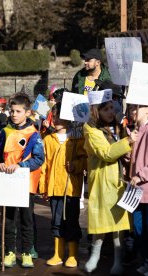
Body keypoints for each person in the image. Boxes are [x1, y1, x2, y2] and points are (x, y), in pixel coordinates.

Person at [83, 90, 137, 274]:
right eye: (105, 109)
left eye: (112, 108)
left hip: (119, 182)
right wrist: (128, 141)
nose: (110, 112)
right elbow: (106, 154)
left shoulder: (118, 127)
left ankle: (118, 260)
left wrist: (129, 152)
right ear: (95, 110)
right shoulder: (90, 129)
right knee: (100, 221)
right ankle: (95, 255)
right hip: (101, 181)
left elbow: (123, 152)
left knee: (118, 224)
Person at [0, 92, 45, 269]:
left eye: (18, 111)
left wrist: (21, 165)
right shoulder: (4, 131)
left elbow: (39, 159)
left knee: (26, 219)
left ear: (28, 113)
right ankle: (8, 252)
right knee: (8, 218)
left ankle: (26, 252)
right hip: (7, 182)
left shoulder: (33, 134)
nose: (14, 114)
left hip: (26, 183)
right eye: (12, 111)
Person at [39, 102, 86, 268]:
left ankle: (73, 254)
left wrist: (76, 165)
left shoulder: (77, 139)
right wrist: (43, 187)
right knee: (56, 220)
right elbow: (44, 165)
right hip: (54, 187)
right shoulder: (48, 140)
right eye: (54, 115)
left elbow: (84, 160)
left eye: (60, 115)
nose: (56, 119)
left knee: (71, 221)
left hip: (71, 188)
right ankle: (58, 253)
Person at [129, 104, 148, 275]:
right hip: (136, 191)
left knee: (145, 228)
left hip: (146, 188)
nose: (134, 111)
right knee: (138, 227)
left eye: (138, 108)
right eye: (132, 108)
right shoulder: (137, 130)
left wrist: (140, 175)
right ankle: (144, 260)